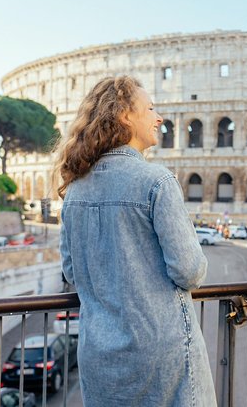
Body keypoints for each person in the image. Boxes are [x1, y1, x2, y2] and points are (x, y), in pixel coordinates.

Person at [54, 76, 216, 406]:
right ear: (125, 115)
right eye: (151, 109)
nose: (159, 118)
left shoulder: (74, 191)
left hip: (99, 354)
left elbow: (71, 273)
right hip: (161, 350)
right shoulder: (157, 181)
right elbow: (189, 271)